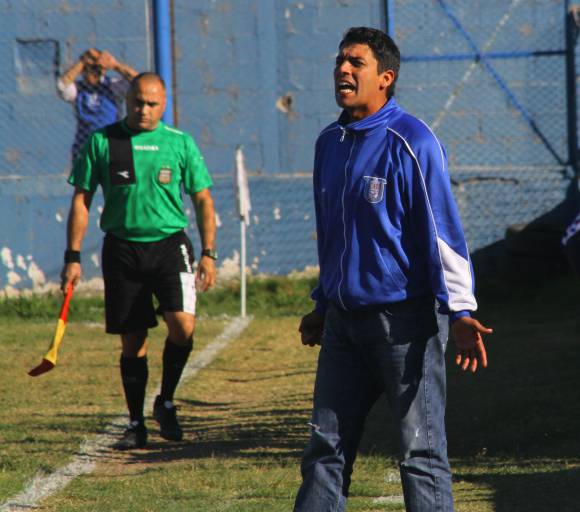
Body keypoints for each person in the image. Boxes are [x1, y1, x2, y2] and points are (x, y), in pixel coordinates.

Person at [294, 27, 492, 512]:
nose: (342, 69)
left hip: (403, 326)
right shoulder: (328, 143)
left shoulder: (413, 141)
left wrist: (461, 311)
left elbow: (443, 233)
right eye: (339, 61)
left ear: (385, 78)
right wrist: (323, 302)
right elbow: (333, 236)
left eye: (355, 63)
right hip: (342, 327)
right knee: (324, 450)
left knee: (420, 453)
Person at [60, 72, 217, 450]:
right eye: (137, 102)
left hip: (170, 246)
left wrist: (209, 252)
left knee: (183, 327)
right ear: (126, 100)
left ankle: (166, 401)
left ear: (164, 105)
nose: (143, 110)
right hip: (122, 250)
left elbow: (203, 199)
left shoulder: (179, 142)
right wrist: (73, 257)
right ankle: (135, 423)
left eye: (152, 104)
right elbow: (81, 200)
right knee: (133, 342)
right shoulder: (102, 141)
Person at [57, 48, 138, 160]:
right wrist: (82, 61)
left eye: (97, 68)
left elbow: (139, 82)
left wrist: (115, 65)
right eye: (88, 68)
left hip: (112, 144)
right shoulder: (77, 89)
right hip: (85, 145)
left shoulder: (112, 86)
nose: (93, 73)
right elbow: (62, 85)